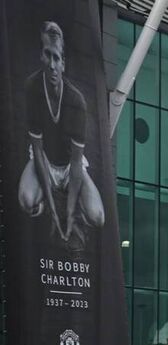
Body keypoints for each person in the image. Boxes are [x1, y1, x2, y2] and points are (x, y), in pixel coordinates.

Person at [17, 21, 106, 245]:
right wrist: (54, 211)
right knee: (26, 200)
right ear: (41, 56)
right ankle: (49, 201)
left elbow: (76, 163)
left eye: (57, 58)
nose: (52, 65)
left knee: (98, 217)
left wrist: (68, 214)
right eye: (48, 55)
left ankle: (69, 202)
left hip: (69, 166)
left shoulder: (76, 101)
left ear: (63, 63)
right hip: (45, 158)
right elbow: (37, 151)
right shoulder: (33, 87)